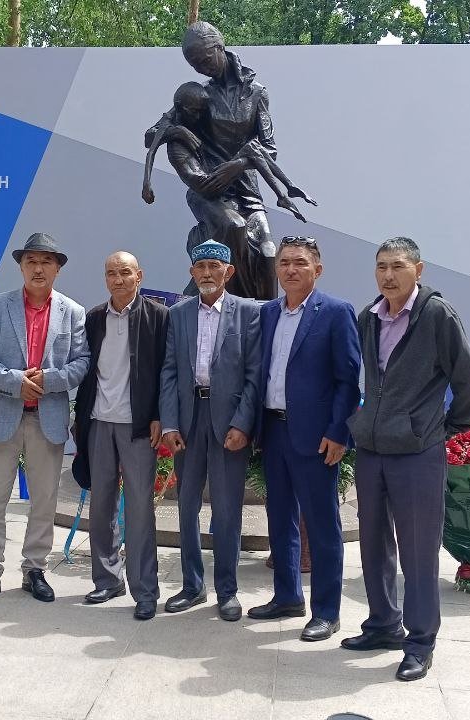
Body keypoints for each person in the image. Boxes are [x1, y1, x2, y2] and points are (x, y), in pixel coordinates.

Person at [342, 237, 470, 682]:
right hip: (372, 449)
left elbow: (469, 380)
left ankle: (420, 642)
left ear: (418, 270)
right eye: (381, 266)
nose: (388, 275)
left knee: (418, 550)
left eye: (398, 266)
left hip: (418, 453)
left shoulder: (437, 315)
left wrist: (444, 430)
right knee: (373, 543)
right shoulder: (368, 316)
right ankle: (383, 625)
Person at [0, 232, 90, 606]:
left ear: (58, 269)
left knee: (44, 501)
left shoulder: (73, 311)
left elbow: (82, 363)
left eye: (46, 262)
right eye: (31, 261)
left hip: (46, 419)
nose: (38, 269)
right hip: (2, 414)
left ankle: (34, 569)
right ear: (21, 266)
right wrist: (14, 382)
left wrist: (48, 380)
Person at [247, 236, 361, 642]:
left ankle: (327, 612)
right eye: (284, 263)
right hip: (274, 430)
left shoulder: (335, 312)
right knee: (280, 519)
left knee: (322, 524)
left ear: (318, 269)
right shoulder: (268, 313)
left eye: (299, 262)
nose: (290, 269)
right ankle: (287, 596)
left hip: (316, 437)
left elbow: (348, 380)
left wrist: (338, 432)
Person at [158, 239, 262, 622]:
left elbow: (254, 375)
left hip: (229, 422)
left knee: (227, 508)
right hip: (189, 419)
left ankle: (227, 591)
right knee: (186, 505)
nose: (206, 273)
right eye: (200, 266)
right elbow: (169, 371)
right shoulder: (178, 313)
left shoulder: (248, 313)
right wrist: (170, 423)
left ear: (228, 272)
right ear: (191, 272)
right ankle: (192, 585)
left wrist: (243, 423)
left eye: (213, 267)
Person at [142, 21, 280, 300]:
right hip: (209, 188)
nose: (202, 69)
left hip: (246, 188)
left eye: (204, 60)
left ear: (219, 47)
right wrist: (177, 130)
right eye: (195, 65)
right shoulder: (199, 94)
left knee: (268, 253)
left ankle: (265, 317)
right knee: (233, 228)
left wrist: (237, 166)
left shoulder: (256, 93)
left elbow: (269, 150)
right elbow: (150, 136)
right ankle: (231, 307)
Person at [72, 251, 169, 620]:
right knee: (101, 505)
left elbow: (166, 371)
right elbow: (85, 370)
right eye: (111, 273)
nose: (118, 279)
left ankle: (145, 590)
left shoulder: (158, 316)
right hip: (98, 421)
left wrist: (159, 415)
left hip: (138, 425)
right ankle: (107, 579)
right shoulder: (94, 317)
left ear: (139, 276)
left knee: (140, 508)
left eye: (125, 272)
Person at [143, 81, 315, 223]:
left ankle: (287, 190)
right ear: (179, 107)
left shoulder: (193, 120)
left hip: (211, 176)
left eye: (201, 112)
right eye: (194, 111)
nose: (198, 117)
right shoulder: (167, 125)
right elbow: (150, 150)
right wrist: (147, 185)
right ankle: (284, 193)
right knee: (252, 148)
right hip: (207, 185)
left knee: (254, 147)